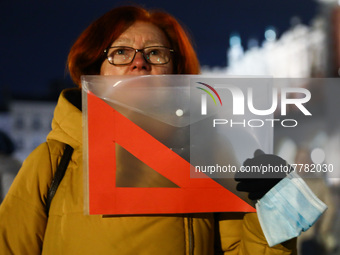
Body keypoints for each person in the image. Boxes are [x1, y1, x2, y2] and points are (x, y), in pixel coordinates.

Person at [0, 6, 297, 254]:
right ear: (95, 70)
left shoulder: (212, 158)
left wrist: (273, 207)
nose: (139, 63)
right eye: (120, 52)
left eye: (156, 53)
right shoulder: (54, 160)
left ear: (176, 73)